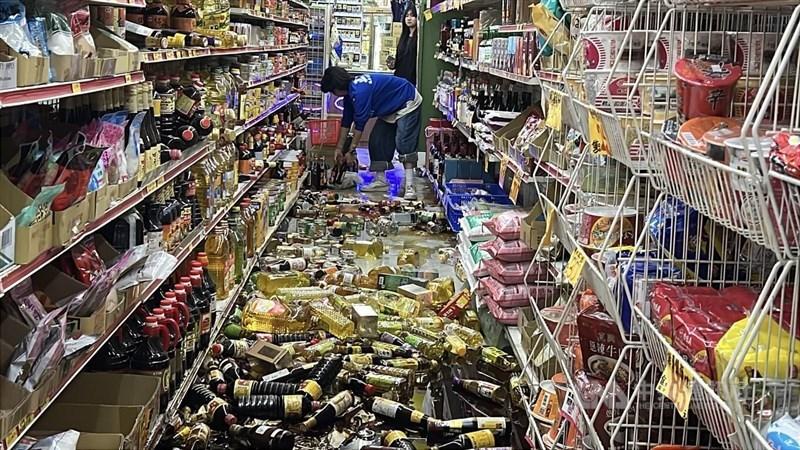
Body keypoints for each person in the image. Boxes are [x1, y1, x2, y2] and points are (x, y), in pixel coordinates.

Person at [320, 66, 422, 199]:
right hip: (388, 107)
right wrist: (339, 149)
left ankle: (410, 185)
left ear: (337, 88)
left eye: (332, 91)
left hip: (406, 100)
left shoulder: (360, 92)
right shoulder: (350, 93)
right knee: (377, 140)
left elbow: (359, 125)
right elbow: (346, 121)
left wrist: (351, 151)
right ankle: (381, 181)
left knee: (404, 142)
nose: (333, 94)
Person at [392, 5, 418, 86]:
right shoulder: (403, 37)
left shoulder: (419, 38)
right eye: (407, 16)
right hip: (399, 79)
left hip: (412, 80)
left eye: (412, 16)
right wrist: (392, 63)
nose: (409, 18)